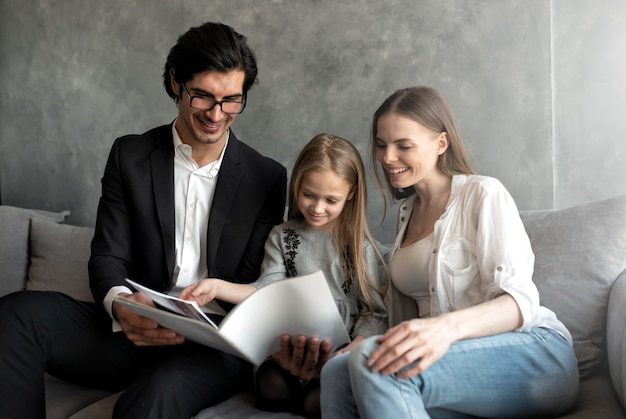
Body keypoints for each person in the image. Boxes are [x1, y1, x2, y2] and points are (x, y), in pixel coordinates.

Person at [0, 22, 287, 418]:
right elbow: (107, 257)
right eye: (202, 96)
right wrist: (121, 307)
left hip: (210, 347)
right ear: (175, 82)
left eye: (232, 100)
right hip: (132, 330)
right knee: (16, 315)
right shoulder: (129, 155)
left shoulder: (266, 177)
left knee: (152, 398)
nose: (216, 115)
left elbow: (258, 280)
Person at [320, 86, 580, 418]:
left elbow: (521, 301)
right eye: (382, 145)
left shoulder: (483, 193)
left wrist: (443, 329)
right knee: (337, 372)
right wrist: (357, 342)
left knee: (373, 365)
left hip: (533, 352)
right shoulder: (407, 213)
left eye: (404, 146)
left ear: (441, 144)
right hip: (455, 364)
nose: (387, 158)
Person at [180, 133, 388, 418]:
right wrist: (217, 287)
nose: (317, 208)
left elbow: (374, 314)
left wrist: (351, 351)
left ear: (351, 194)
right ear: (297, 184)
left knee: (319, 401)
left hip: (336, 351)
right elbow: (266, 287)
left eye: (331, 200)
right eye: (309, 195)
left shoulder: (362, 248)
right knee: (270, 387)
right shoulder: (283, 235)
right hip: (288, 347)